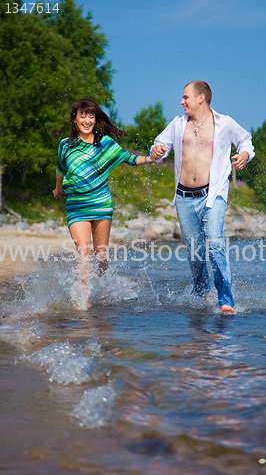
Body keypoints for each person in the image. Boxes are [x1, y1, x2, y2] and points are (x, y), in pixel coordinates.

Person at [151, 81, 254, 314]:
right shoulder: (178, 124)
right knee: (195, 252)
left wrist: (244, 154)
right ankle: (201, 294)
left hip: (213, 194)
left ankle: (225, 300)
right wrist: (156, 150)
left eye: (185, 97)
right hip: (184, 197)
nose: (181, 101)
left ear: (201, 98)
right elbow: (160, 144)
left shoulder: (224, 123)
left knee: (216, 243)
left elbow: (245, 140)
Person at [53, 98, 153, 308]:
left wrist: (150, 158)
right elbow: (61, 169)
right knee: (83, 249)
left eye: (91, 116)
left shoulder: (105, 143)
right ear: (75, 120)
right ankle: (84, 299)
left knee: (101, 256)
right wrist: (58, 188)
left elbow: (129, 158)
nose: (87, 120)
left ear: (96, 119)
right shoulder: (66, 145)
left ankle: (104, 286)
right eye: (83, 116)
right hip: (76, 206)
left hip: (101, 204)